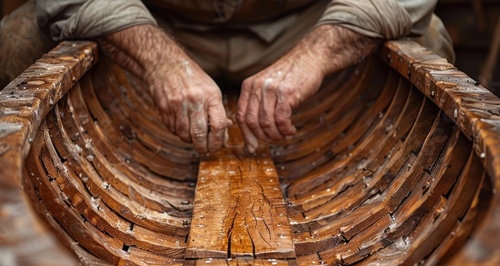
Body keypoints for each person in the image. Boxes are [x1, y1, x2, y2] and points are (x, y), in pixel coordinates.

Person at [2, 0, 454, 154]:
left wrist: (315, 55)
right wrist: (160, 61)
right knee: (19, 36)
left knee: (428, 39)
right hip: (155, 25)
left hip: (301, 28)